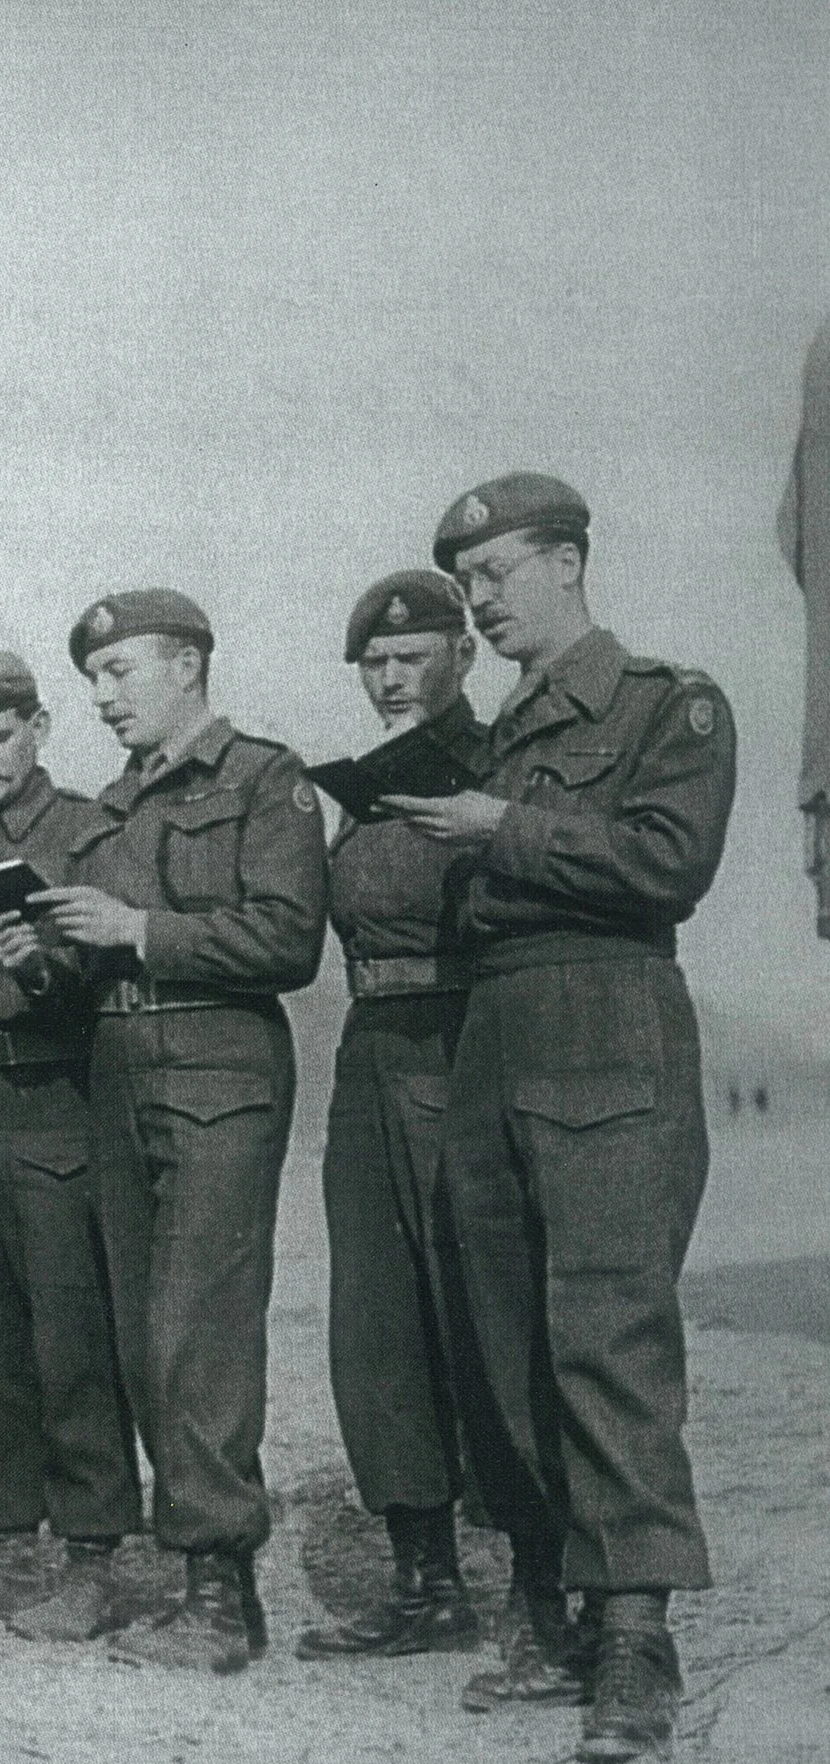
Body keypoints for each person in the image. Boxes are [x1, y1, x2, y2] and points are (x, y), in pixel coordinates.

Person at [398, 474, 734, 1762]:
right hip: (493, 1032)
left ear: (567, 564)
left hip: (608, 1021)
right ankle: (557, 1615)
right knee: (505, 1344)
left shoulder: (665, 702)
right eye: (466, 583)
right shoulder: (489, 736)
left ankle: (637, 1644)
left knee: (605, 1332)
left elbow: (668, 863)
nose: (474, 604)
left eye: (493, 577)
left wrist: (504, 826)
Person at [32, 590, 327, 1674]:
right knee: (135, 1332)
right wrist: (55, 952)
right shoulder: (109, 807)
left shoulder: (263, 778)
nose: (101, 698)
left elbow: (289, 936)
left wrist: (138, 931)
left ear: (189, 664)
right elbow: (102, 942)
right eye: (93, 679)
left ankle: (217, 1593)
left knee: (196, 1328)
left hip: (218, 1068)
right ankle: (191, 1564)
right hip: (116, 1065)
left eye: (120, 673)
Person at [0, 651, 141, 1642]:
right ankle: (7, 1541)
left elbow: (113, 974)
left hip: (55, 1091)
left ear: (39, 729)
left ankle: (91, 1550)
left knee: (69, 1331)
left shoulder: (89, 831)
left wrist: (45, 967)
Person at [295, 571, 495, 1664]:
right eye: (372, 663)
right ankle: (425, 1582)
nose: (386, 679)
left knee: (481, 1308)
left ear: (460, 655)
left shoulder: (503, 768)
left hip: (469, 1044)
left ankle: (544, 1584)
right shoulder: (367, 788)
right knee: (376, 1322)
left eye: (408, 657)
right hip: (373, 1050)